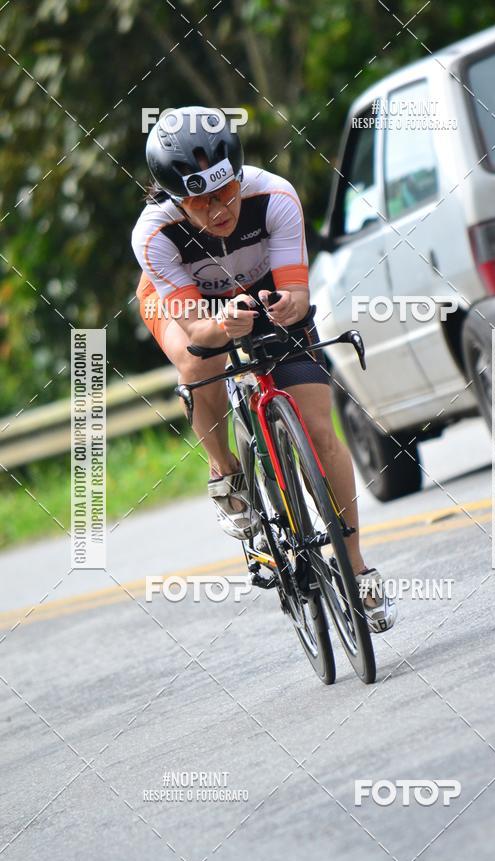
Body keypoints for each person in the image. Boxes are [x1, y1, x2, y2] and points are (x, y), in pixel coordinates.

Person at [131, 106, 395, 633]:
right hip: (192, 311)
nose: (219, 207)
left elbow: (298, 298)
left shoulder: (274, 195)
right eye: (200, 198)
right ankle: (225, 473)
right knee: (195, 357)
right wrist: (221, 326)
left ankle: (357, 566)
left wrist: (285, 309)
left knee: (320, 432)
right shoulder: (154, 235)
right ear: (174, 196)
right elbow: (199, 333)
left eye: (225, 189)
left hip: (264, 296)